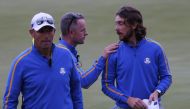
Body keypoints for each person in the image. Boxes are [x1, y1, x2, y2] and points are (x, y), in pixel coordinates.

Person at [3, 12, 83, 109]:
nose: (46, 36)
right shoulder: (21, 62)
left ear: (54, 31)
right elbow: (10, 100)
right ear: (32, 33)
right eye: (41, 31)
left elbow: (76, 91)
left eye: (49, 30)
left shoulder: (66, 55)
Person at [101, 6, 172, 109]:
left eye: (120, 23)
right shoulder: (113, 52)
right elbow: (107, 85)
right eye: (116, 23)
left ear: (134, 25)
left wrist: (157, 92)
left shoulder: (156, 49)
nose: (116, 28)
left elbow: (166, 77)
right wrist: (127, 99)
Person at [57, 12, 118, 89]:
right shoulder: (63, 54)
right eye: (82, 30)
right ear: (71, 32)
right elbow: (84, 81)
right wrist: (103, 58)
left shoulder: (64, 50)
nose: (86, 33)